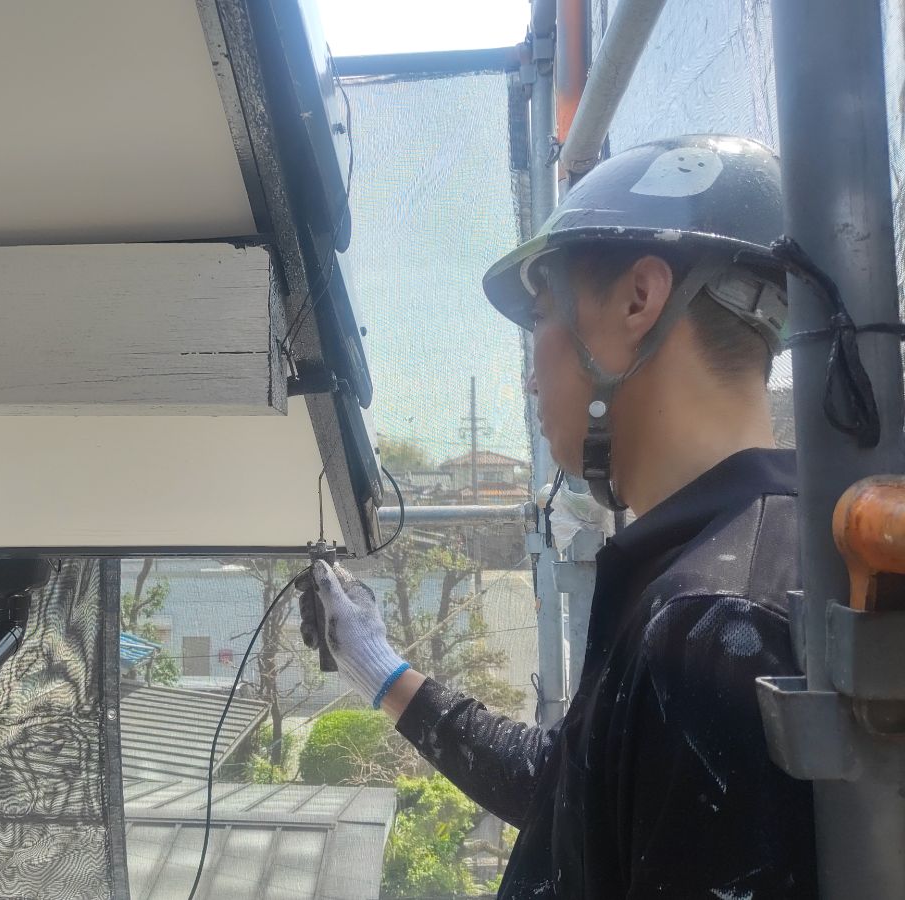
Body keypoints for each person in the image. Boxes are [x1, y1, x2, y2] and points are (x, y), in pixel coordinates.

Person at [298, 135, 818, 898]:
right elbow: (573, 792)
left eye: (541, 314)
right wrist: (375, 667)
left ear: (639, 300)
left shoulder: (716, 625)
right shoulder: (728, 565)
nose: (531, 379)